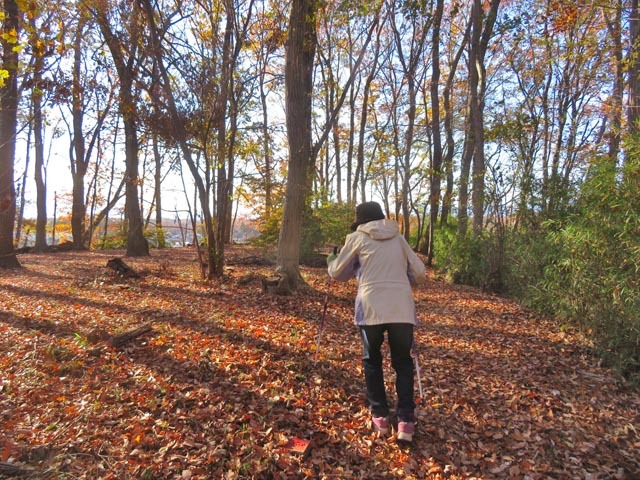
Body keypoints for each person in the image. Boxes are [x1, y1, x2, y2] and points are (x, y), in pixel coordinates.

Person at [326, 201, 426, 441]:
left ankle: (380, 416)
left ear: (361, 221)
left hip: (370, 308)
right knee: (403, 363)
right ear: (381, 218)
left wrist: (331, 259)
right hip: (401, 308)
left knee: (372, 361)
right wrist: (403, 277)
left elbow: (338, 272)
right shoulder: (398, 238)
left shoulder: (356, 238)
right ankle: (405, 422)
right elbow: (420, 273)